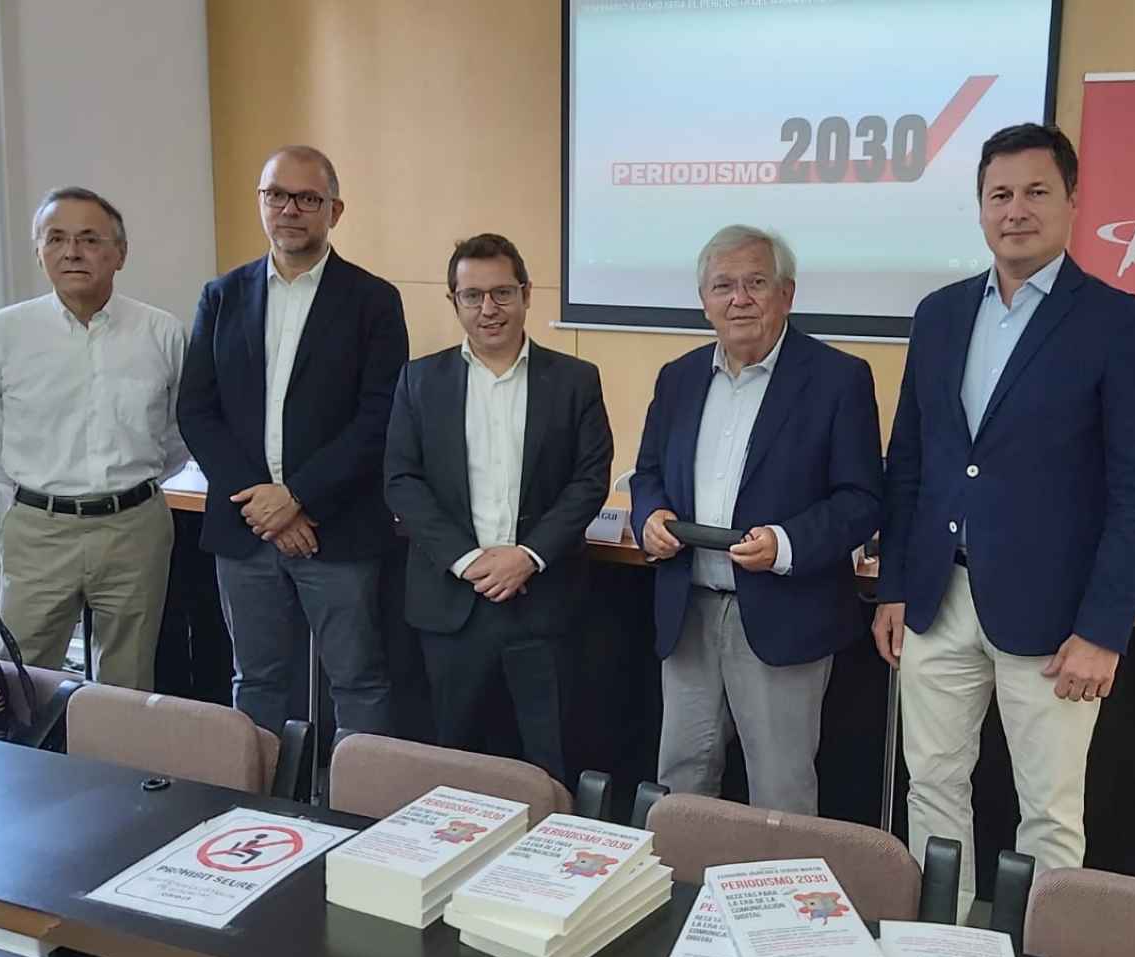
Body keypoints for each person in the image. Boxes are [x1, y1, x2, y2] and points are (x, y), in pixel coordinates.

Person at [873, 123, 1135, 918]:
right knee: (931, 786)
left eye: (1037, 191)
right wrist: (895, 587)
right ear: (979, 209)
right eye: (999, 194)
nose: (1016, 210)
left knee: (1048, 811)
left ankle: (1041, 940)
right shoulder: (938, 316)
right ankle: (944, 938)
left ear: (1073, 203)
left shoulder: (1118, 323)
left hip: (1056, 620)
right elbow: (911, 463)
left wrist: (1105, 630)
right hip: (938, 600)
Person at [630, 225, 883, 815]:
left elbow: (862, 498)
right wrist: (650, 516)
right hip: (688, 608)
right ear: (704, 300)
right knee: (681, 779)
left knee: (780, 791)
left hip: (782, 614)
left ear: (786, 294)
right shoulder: (679, 377)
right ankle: (683, 896)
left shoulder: (838, 379)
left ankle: (784, 909)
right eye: (723, 286)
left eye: (754, 283)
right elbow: (647, 475)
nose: (738, 299)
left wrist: (787, 544)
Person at [178, 145, 407, 735]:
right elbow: (197, 411)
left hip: (338, 527)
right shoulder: (221, 296)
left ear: (335, 210)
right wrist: (265, 505)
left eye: (307, 198)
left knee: (357, 680)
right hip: (244, 529)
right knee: (254, 681)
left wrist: (299, 496)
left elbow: (380, 417)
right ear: (261, 203)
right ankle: (252, 810)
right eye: (276, 195)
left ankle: (360, 810)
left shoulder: (374, 301)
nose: (290, 209)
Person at [383, 234, 613, 783]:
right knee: (451, 768)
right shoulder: (419, 380)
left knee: (550, 767)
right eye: (473, 295)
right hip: (450, 604)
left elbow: (589, 480)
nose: (489, 309)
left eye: (502, 293)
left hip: (543, 602)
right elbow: (401, 480)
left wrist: (529, 556)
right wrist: (466, 560)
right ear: (454, 301)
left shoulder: (575, 380)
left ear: (527, 294)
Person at [0, 187, 186, 690]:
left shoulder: (162, 333)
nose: (72, 251)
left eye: (90, 239)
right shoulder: (4, 333)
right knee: (22, 674)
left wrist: (129, 485)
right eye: (57, 238)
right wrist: (43, 494)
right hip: (39, 531)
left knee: (128, 679)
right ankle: (24, 769)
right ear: (38, 250)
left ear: (120, 253)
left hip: (135, 528)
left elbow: (177, 434)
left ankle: (115, 769)